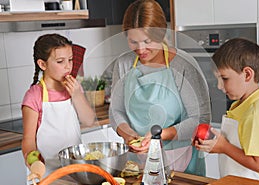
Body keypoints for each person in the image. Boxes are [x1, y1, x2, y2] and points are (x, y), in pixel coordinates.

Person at [109, 0, 211, 176]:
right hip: (138, 163)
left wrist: (162, 135)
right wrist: (128, 135)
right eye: (133, 41)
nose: (141, 49)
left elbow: (201, 118)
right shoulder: (123, 64)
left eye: (147, 41)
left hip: (181, 163)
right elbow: (115, 110)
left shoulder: (183, 64)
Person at [193, 38, 259, 180]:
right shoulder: (239, 105)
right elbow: (237, 145)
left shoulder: (255, 114)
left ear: (247, 74)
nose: (219, 86)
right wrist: (214, 143)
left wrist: (224, 147)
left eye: (224, 78)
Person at [22, 33, 96, 172]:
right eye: (60, 61)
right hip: (46, 173)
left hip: (75, 168)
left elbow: (89, 120)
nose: (68, 67)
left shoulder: (74, 88)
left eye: (70, 60)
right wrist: (35, 163)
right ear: (42, 64)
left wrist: (77, 95)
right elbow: (28, 140)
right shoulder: (34, 96)